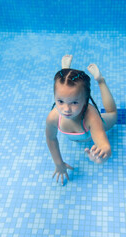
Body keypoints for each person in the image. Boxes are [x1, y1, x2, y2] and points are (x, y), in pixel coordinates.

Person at [46, 55, 117, 185]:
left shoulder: (91, 117)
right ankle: (65, 71)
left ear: (85, 100)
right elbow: (51, 138)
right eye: (60, 101)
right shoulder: (54, 117)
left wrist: (103, 155)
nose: (66, 109)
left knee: (113, 115)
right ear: (55, 97)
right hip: (81, 133)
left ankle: (101, 81)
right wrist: (58, 163)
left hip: (94, 126)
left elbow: (104, 144)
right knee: (68, 89)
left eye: (74, 102)